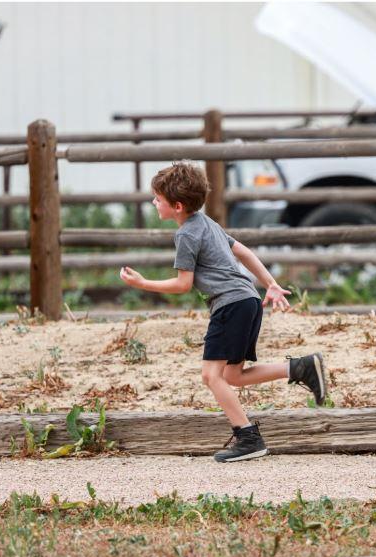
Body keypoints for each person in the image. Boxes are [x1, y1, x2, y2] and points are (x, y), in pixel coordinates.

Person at [119, 162, 326, 463]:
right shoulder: (206, 223)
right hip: (248, 300)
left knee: (211, 376)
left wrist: (142, 283)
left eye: (157, 199)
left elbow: (182, 284)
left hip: (230, 305)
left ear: (176, 206)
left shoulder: (186, 235)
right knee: (233, 375)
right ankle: (301, 368)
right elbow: (242, 251)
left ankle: (248, 437)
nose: (154, 203)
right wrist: (269, 283)